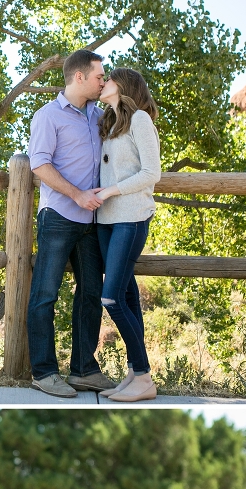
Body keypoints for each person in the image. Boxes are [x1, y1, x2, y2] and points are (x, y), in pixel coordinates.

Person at [26, 48, 117, 399]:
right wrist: (78, 195)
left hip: (92, 221)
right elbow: (39, 165)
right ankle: (44, 372)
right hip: (60, 217)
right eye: (99, 76)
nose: (103, 81)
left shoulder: (98, 115)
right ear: (79, 76)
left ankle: (83, 370)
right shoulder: (48, 116)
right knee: (45, 294)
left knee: (91, 294)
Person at [93, 67, 162, 403]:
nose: (103, 82)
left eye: (109, 79)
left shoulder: (140, 121)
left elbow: (152, 173)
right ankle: (135, 373)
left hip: (131, 218)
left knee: (111, 298)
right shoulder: (110, 122)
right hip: (106, 221)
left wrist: (109, 192)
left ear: (126, 86)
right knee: (128, 296)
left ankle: (145, 375)